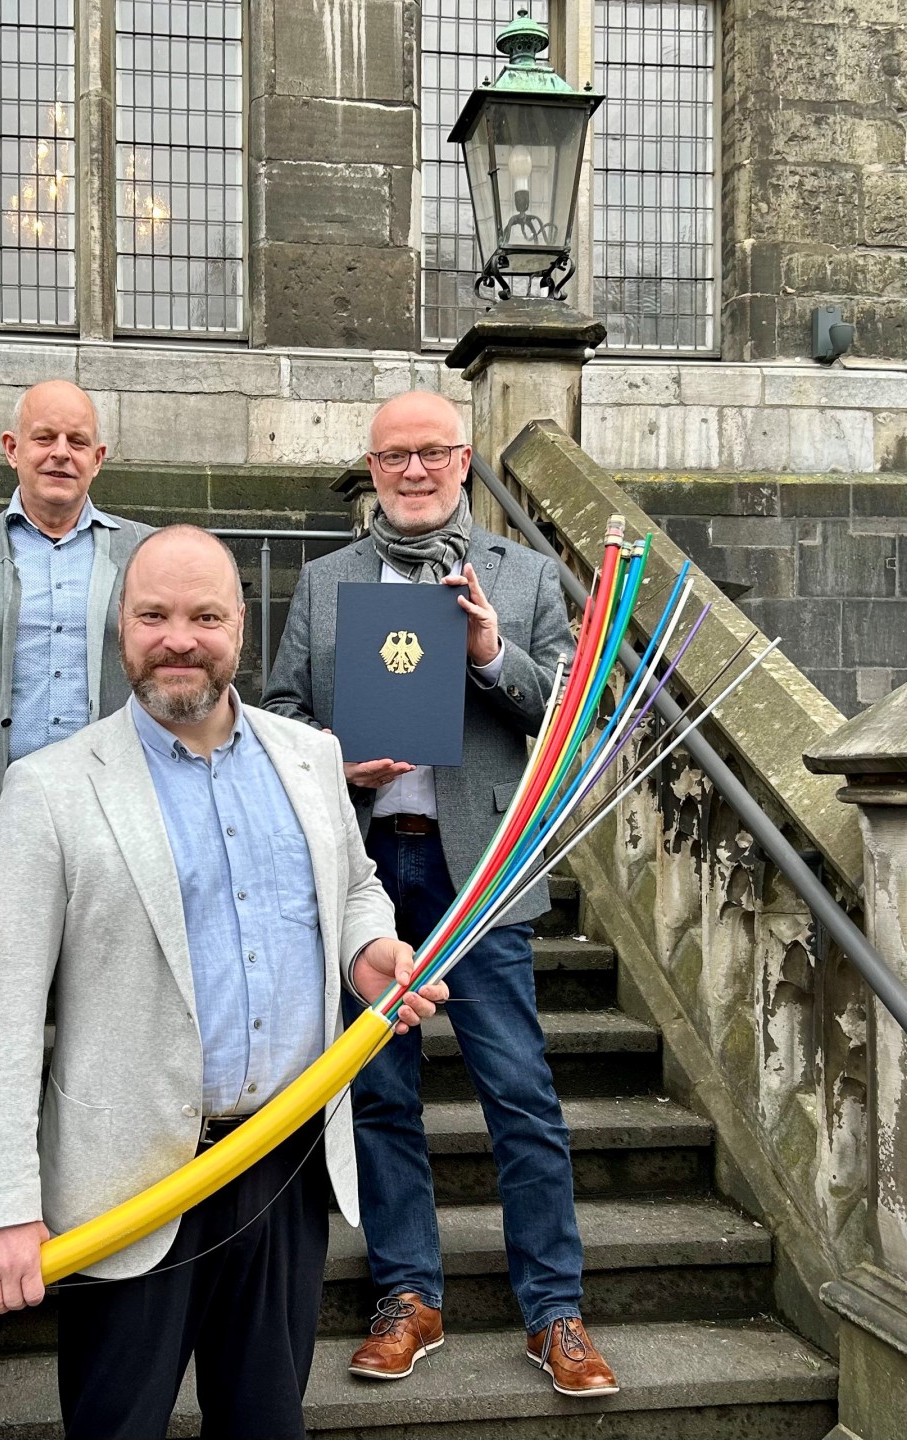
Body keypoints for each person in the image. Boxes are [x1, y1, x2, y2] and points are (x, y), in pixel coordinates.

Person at [0, 525, 447, 1440]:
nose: (180, 637)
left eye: (205, 616)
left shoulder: (308, 757)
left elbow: (354, 888)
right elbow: (2, 1018)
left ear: (242, 627)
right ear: (121, 626)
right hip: (128, 1184)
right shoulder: (49, 788)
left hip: (284, 1167)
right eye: (154, 615)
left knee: (265, 1424)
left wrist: (367, 949)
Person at [261, 390, 617, 1398]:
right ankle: (407, 1297)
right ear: (370, 470)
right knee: (380, 1092)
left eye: (431, 454)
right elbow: (280, 721)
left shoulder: (528, 578)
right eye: (392, 457)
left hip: (482, 870)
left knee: (521, 1095)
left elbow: (572, 723)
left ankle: (556, 1312)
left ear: (463, 462)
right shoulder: (326, 583)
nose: (412, 472)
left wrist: (493, 657)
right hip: (369, 869)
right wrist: (342, 764)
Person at [0, 379, 152, 783]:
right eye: (44, 437)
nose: (61, 453)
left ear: (98, 458)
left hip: (114, 801)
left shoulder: (146, 553)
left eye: (77, 441)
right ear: (12, 449)